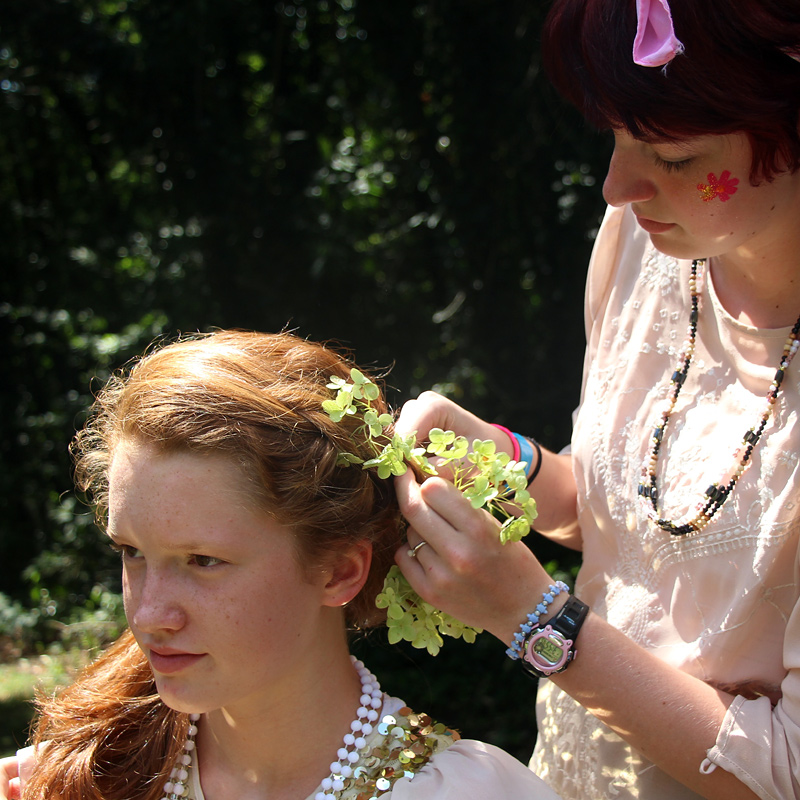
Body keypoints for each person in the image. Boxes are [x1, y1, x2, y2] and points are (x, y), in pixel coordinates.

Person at [390, 1, 800, 799]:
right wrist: (499, 461)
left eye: (672, 154)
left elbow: (787, 773)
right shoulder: (646, 249)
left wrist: (534, 620)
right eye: (614, 134)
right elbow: (636, 524)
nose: (619, 184)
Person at [0, 330, 560, 800]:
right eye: (131, 553)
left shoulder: (468, 792)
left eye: (202, 560)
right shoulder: (85, 777)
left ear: (340, 570)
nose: (149, 615)